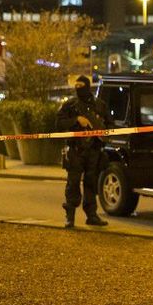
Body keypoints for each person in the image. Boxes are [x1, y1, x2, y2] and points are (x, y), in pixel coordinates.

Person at [56, 75, 109, 228]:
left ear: (87, 87)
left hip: (94, 150)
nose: (78, 89)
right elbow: (59, 123)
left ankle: (92, 215)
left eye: (81, 86)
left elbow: (110, 125)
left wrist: (102, 132)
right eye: (76, 86)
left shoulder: (100, 105)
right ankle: (70, 216)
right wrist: (76, 120)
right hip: (76, 150)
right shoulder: (70, 105)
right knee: (72, 183)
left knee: (91, 183)